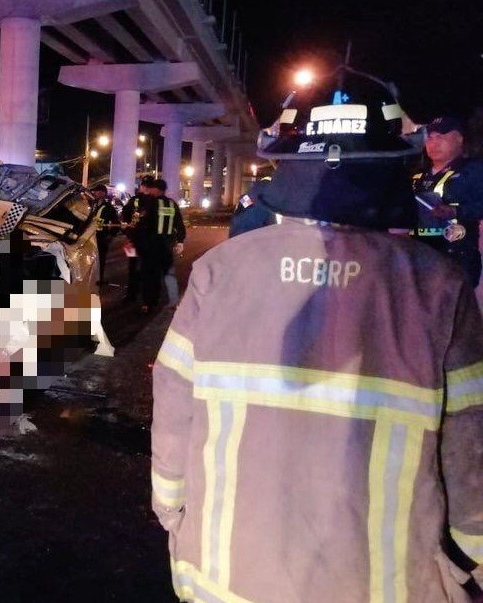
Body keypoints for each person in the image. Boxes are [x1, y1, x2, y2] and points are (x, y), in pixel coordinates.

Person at [152, 65, 483, 602]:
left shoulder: (220, 270)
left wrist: (172, 510)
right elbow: (471, 450)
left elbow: (172, 401)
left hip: (222, 577)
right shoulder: (437, 288)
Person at [412, 116, 483, 287]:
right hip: (419, 253)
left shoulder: (472, 171)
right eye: (430, 137)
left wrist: (456, 211)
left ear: (459, 139)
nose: (434, 143)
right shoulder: (417, 175)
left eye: (441, 137)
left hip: (456, 253)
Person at [133, 178, 185, 313]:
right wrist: (180, 241)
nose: (150, 190)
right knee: (168, 273)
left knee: (149, 274)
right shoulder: (172, 204)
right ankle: (173, 301)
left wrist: (137, 241)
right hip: (167, 245)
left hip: (152, 245)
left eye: (152, 188)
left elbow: (143, 225)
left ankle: (148, 302)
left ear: (157, 189)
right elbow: (179, 224)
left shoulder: (151, 203)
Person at [120, 176, 156, 304]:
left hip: (150, 242)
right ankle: (131, 294)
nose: (145, 187)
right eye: (144, 185)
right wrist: (126, 228)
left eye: (149, 185)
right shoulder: (134, 200)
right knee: (132, 267)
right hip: (133, 240)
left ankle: (147, 298)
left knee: (148, 268)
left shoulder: (156, 201)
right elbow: (124, 215)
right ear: (141, 186)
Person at [90, 184, 121, 285]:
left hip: (101, 238)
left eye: (97, 191)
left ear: (103, 193)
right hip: (90, 237)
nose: (95, 193)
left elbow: (117, 224)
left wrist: (110, 236)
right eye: (95, 191)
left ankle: (99, 280)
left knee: (100, 261)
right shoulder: (92, 205)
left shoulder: (109, 208)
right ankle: (91, 279)